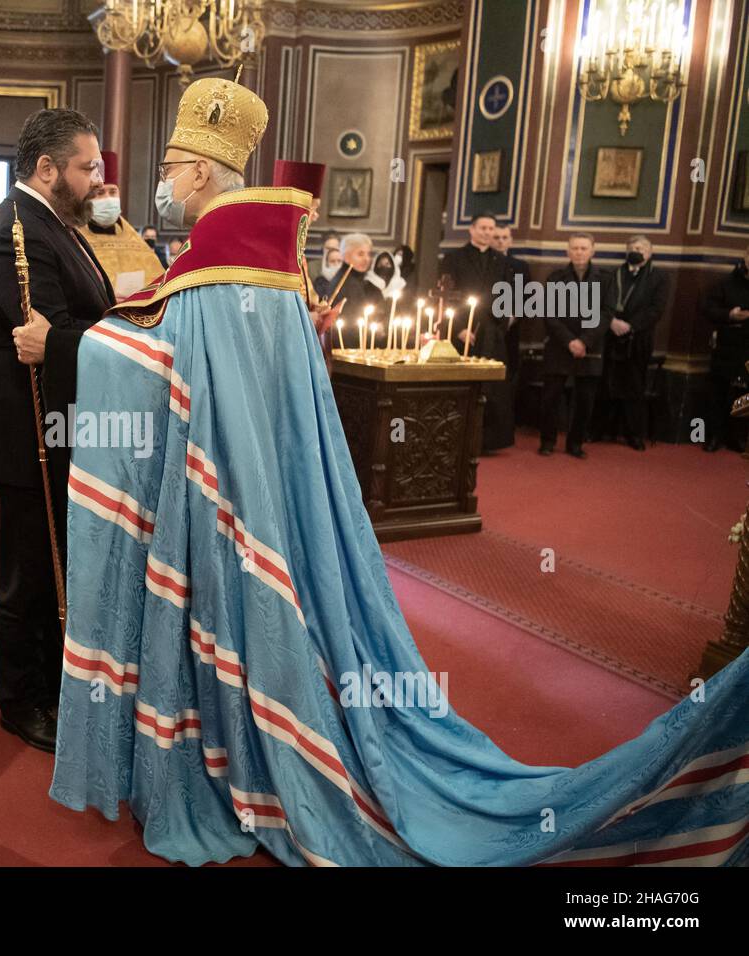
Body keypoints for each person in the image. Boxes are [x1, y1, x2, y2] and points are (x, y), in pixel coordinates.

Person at [49, 77, 749, 868]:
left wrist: (72, 344)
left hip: (229, 499)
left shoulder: (216, 271)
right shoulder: (273, 265)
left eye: (172, 168)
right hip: (271, 488)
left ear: (206, 174)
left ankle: (252, 753)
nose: (165, 184)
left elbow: (155, 365)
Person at [0, 108, 113, 752]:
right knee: (29, 572)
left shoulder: (56, 223)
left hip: (59, 422)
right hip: (26, 432)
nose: (96, 182)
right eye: (87, 168)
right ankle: (19, 700)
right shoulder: (13, 233)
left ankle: (56, 684)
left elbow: (78, 322)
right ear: (47, 168)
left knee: (58, 563)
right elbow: (51, 334)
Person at [441, 213, 514, 451]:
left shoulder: (501, 261)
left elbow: (507, 295)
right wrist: (460, 328)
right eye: (482, 228)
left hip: (491, 330)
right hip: (462, 330)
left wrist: (500, 324)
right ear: (471, 230)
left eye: (490, 229)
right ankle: (458, 436)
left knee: (492, 387)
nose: (487, 232)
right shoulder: (454, 258)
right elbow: (446, 295)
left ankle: (488, 441)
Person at [598, 235, 668, 450]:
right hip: (610, 336)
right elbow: (600, 302)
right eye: (632, 247)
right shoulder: (613, 274)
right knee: (605, 384)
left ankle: (633, 434)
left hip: (638, 339)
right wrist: (611, 322)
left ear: (650, 252)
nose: (636, 250)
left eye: (641, 247)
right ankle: (600, 430)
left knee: (634, 387)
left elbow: (656, 309)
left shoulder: (659, 278)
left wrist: (629, 326)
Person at [541, 233, 607, 458]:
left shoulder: (605, 279)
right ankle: (547, 441)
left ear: (592, 251)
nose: (579, 252)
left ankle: (575, 444)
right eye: (575, 248)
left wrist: (584, 341)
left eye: (584, 248)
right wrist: (569, 341)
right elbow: (549, 314)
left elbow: (606, 315)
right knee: (550, 397)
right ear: (567, 251)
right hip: (560, 345)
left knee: (585, 400)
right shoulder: (555, 278)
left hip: (591, 347)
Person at [79, 150, 165, 298]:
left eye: (113, 192)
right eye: (100, 193)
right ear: (88, 198)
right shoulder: (75, 238)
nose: (108, 198)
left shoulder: (136, 241)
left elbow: (158, 284)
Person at [702, 243, 749, 453]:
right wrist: (729, 315)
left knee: (744, 396)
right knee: (717, 394)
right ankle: (713, 436)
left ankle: (737, 437)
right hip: (727, 345)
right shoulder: (727, 282)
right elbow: (708, 308)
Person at [327, 233, 385, 344]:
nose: (366, 259)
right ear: (346, 256)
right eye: (360, 254)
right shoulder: (346, 282)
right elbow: (351, 324)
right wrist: (374, 334)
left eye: (369, 254)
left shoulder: (357, 280)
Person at [490, 223, 528, 387]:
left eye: (504, 238)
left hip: (511, 326)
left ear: (510, 241)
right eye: (496, 238)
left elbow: (526, 295)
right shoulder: (484, 264)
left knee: (508, 369)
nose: (500, 241)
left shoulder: (520, 266)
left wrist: (514, 316)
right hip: (486, 324)